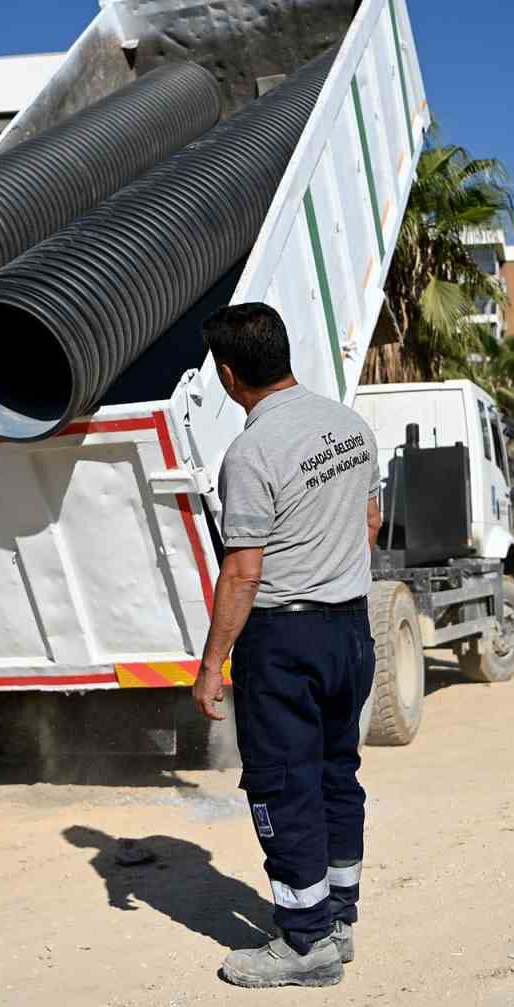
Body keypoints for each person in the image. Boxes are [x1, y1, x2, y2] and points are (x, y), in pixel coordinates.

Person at [191, 302, 381, 989]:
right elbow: (369, 520)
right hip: (350, 628)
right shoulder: (351, 427)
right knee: (337, 772)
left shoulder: (250, 452)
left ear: (228, 373)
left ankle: (304, 942)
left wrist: (212, 665)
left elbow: (243, 571)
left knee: (282, 784)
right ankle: (337, 920)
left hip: (286, 637)